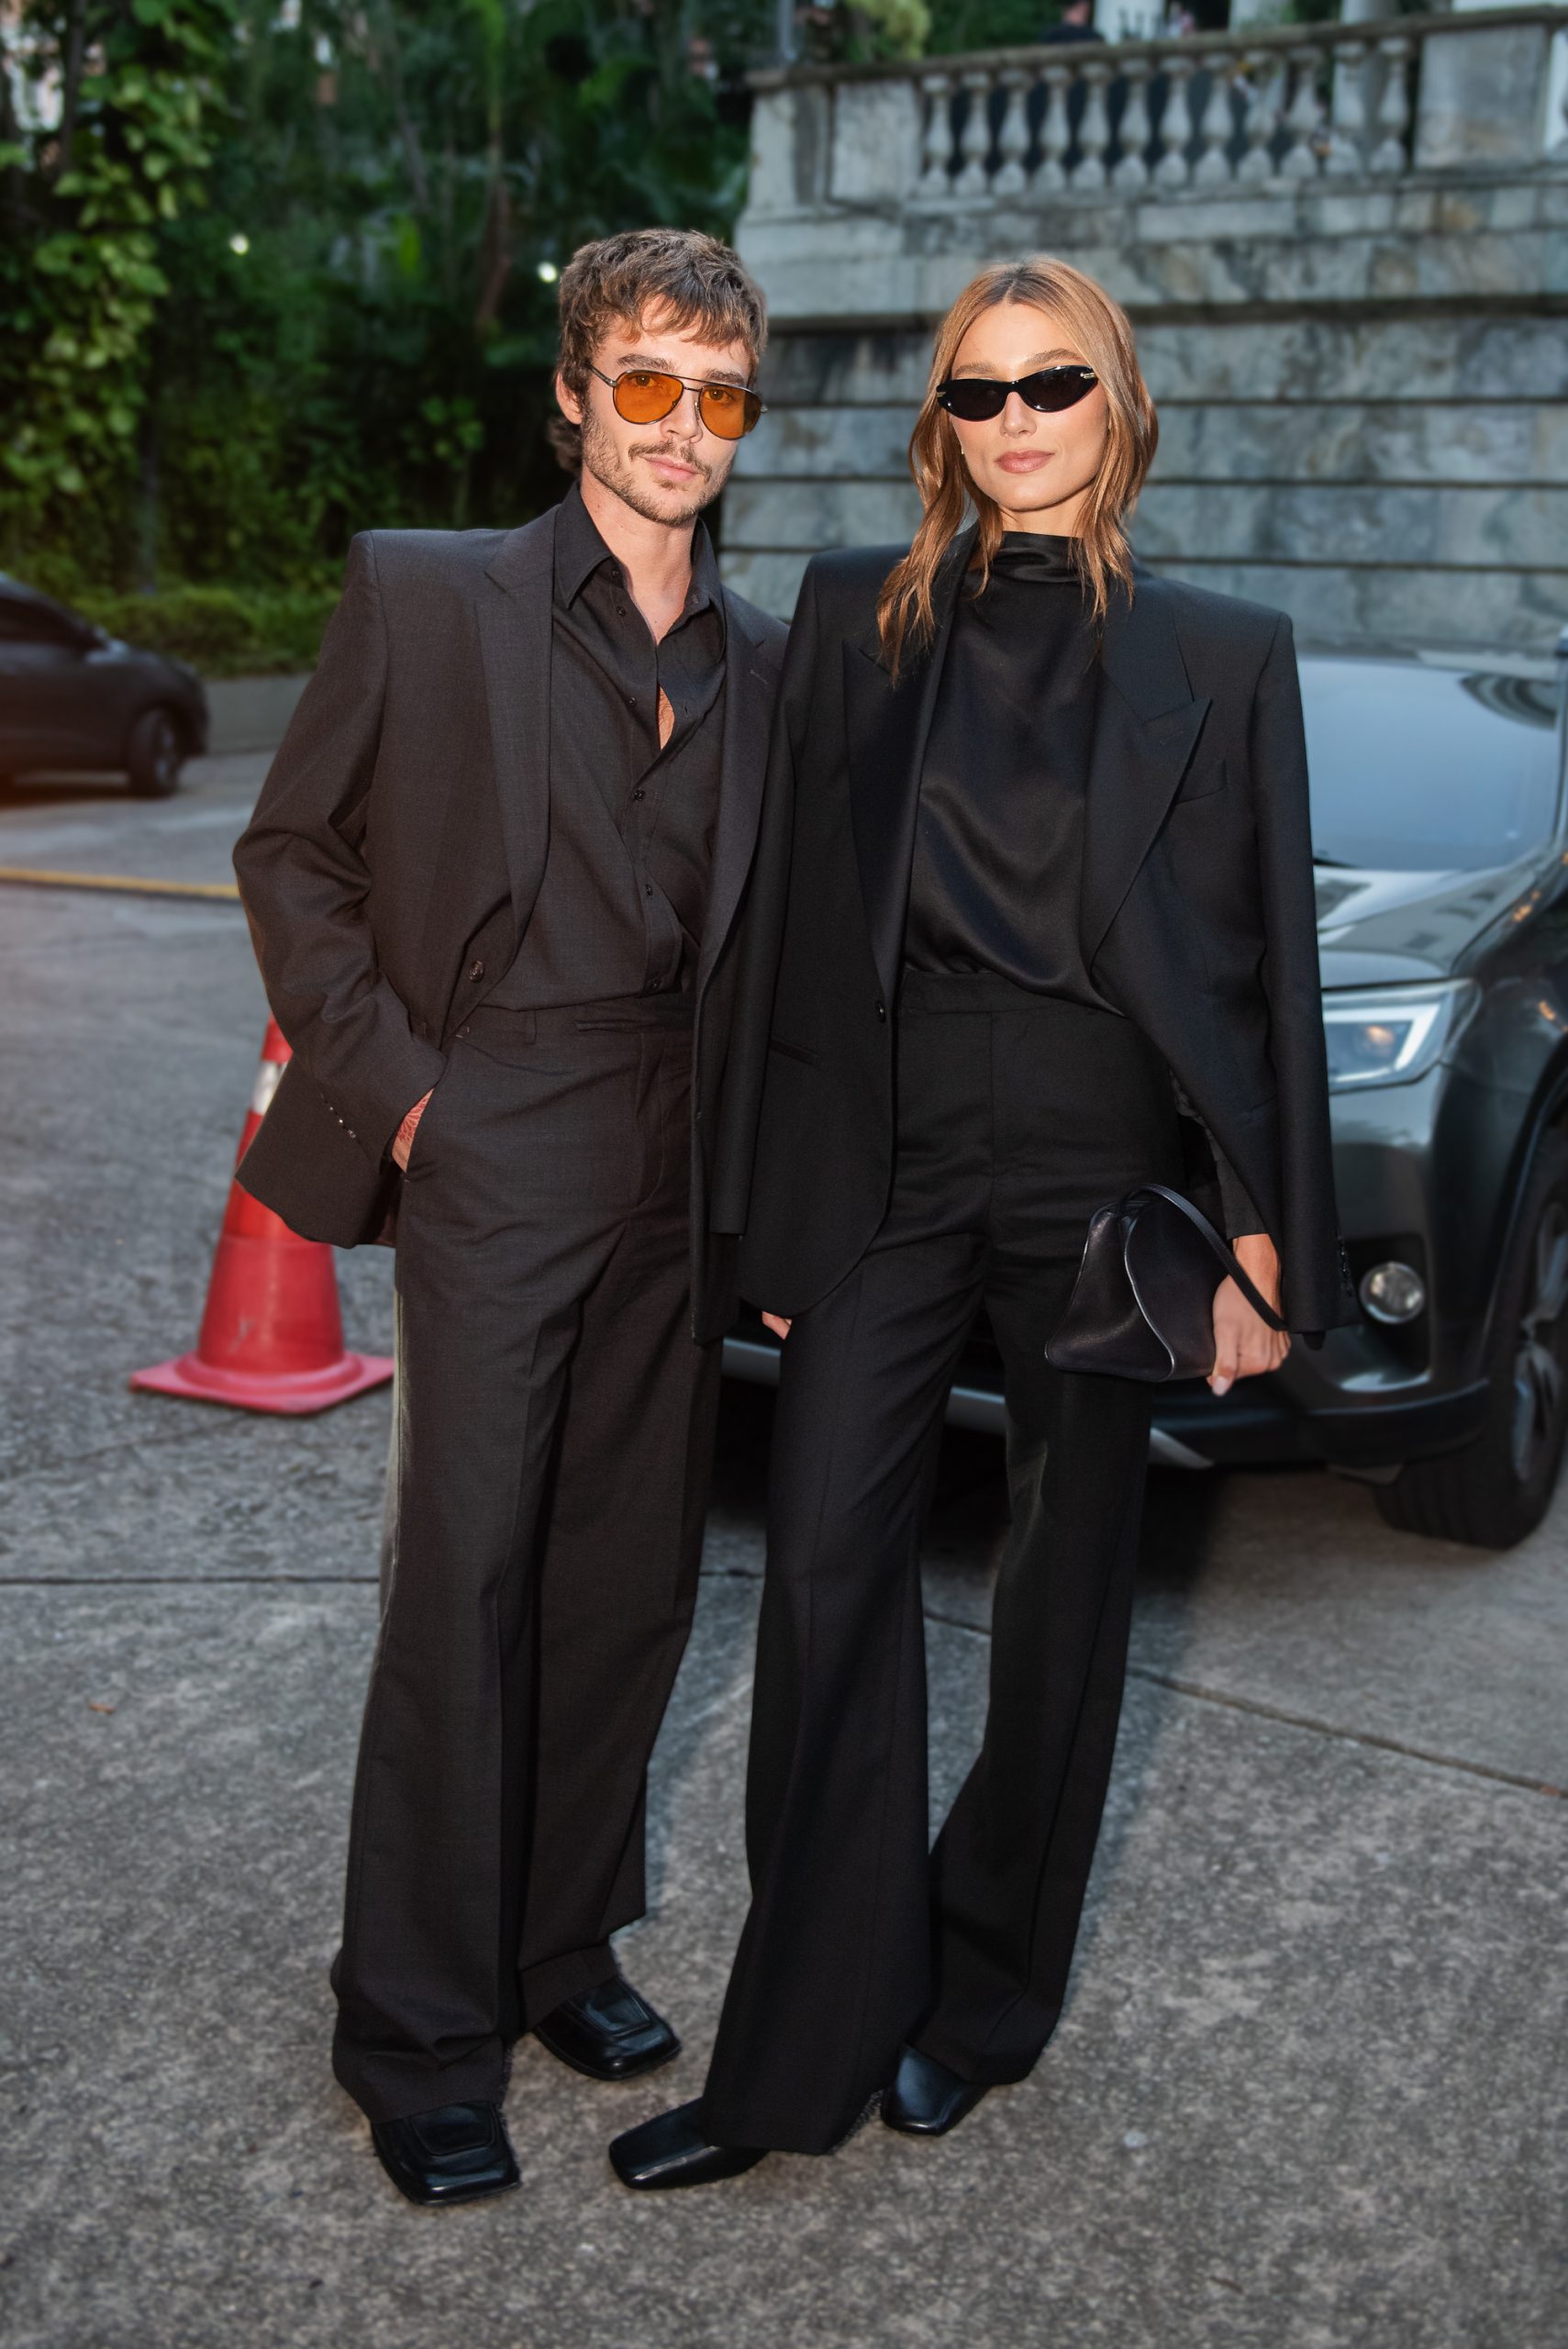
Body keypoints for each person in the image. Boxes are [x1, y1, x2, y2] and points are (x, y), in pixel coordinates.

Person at [609, 254, 1354, 2189]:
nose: (1016, 421)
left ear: (1119, 405)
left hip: (1105, 1166)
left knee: (1060, 1595)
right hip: (889, 1153)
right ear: (940, 422)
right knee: (830, 1578)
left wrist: (1271, 1236)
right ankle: (801, 2045)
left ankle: (986, 1996)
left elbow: (1265, 962)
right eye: (976, 393)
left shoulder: (1225, 649)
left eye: (1053, 386)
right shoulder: (861, 613)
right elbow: (782, 930)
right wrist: (761, 1211)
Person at [232, 228, 785, 2207]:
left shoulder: (762, 657)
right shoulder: (428, 593)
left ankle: (561, 1945)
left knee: (633, 1572)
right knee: (466, 1578)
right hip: (496, 1122)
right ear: (572, 393)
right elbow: (289, 850)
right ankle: (414, 2022)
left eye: (721, 396)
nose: (682, 429)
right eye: (646, 383)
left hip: (678, 1144)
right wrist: (411, 1090)